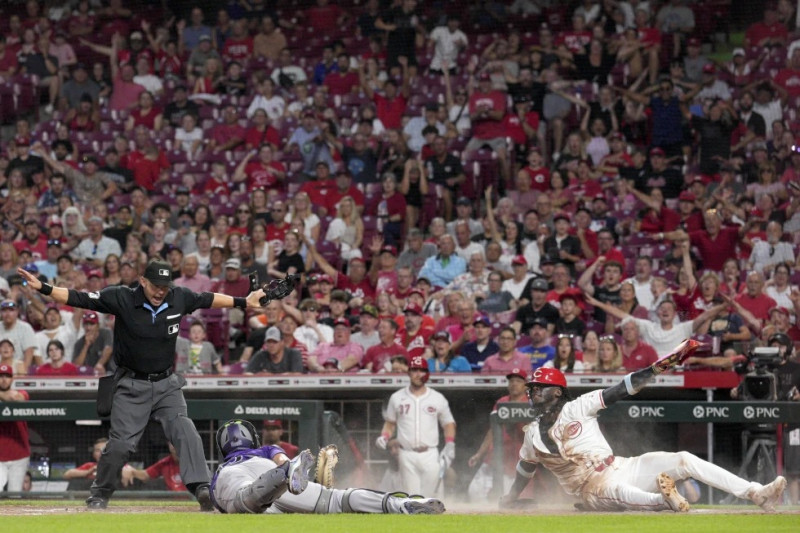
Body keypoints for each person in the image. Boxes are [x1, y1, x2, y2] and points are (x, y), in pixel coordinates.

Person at [16, 259, 268, 510]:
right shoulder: (122, 297)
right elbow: (78, 298)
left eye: (164, 286)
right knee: (121, 444)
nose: (160, 291)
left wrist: (244, 302)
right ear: (143, 281)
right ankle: (100, 492)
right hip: (131, 385)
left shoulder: (178, 296)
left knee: (186, 430)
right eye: (156, 285)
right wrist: (44, 288)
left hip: (167, 384)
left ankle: (201, 487)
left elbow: (208, 298)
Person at [500, 340, 788, 512]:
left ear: (558, 392)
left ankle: (755, 492)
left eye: (540, 387)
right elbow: (525, 468)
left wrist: (655, 369)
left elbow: (620, 389)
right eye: (532, 388)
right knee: (626, 494)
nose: (533, 392)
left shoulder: (579, 406)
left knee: (684, 459)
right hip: (590, 489)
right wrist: (510, 497)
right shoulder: (532, 434)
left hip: (622, 466)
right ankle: (666, 501)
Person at [210, 419, 444, 514]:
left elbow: (217, 504)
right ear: (252, 438)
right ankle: (401, 504)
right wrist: (287, 468)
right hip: (271, 472)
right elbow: (281, 458)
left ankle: (283, 477)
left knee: (244, 500)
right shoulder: (266, 449)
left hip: (239, 479)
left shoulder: (221, 471)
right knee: (337, 500)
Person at [376, 356, 456, 497]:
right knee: (411, 499)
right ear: (408, 373)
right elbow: (390, 423)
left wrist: (450, 444)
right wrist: (384, 436)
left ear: (427, 374)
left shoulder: (437, 397)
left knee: (431, 499)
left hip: (430, 453)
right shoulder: (397, 397)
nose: (418, 374)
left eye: (422, 371)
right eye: (414, 370)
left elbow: (448, 423)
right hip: (406, 454)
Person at [468, 368, 528, 501]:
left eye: (518, 381)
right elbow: (492, 431)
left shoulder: (530, 404)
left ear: (525, 385)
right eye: (511, 381)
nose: (514, 384)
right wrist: (479, 454)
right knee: (474, 491)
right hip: (494, 456)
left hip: (514, 460)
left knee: (505, 498)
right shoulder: (502, 402)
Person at [0, 363, 30, 493]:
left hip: (19, 454)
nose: (4, 379)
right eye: (1, 376)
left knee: (15, 493)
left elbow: (15, 398)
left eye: (7, 376)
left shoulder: (21, 392)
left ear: (12, 378)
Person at [121, 442, 186, 491]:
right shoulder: (165, 463)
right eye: (172, 442)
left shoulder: (194, 462)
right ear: (168, 444)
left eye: (178, 442)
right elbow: (144, 475)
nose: (175, 445)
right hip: (177, 504)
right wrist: (127, 468)